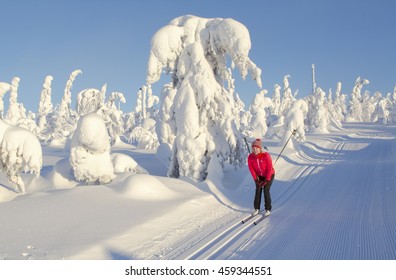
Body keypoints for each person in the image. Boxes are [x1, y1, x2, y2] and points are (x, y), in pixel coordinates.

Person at [247, 138, 275, 217]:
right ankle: (257, 208)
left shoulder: (266, 156)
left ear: (260, 148)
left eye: (256, 148)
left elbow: (269, 168)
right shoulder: (250, 157)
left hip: (269, 175)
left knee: (266, 190)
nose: (255, 150)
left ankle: (268, 209)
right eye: (253, 148)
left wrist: (267, 179)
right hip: (259, 176)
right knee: (258, 190)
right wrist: (256, 179)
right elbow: (251, 169)